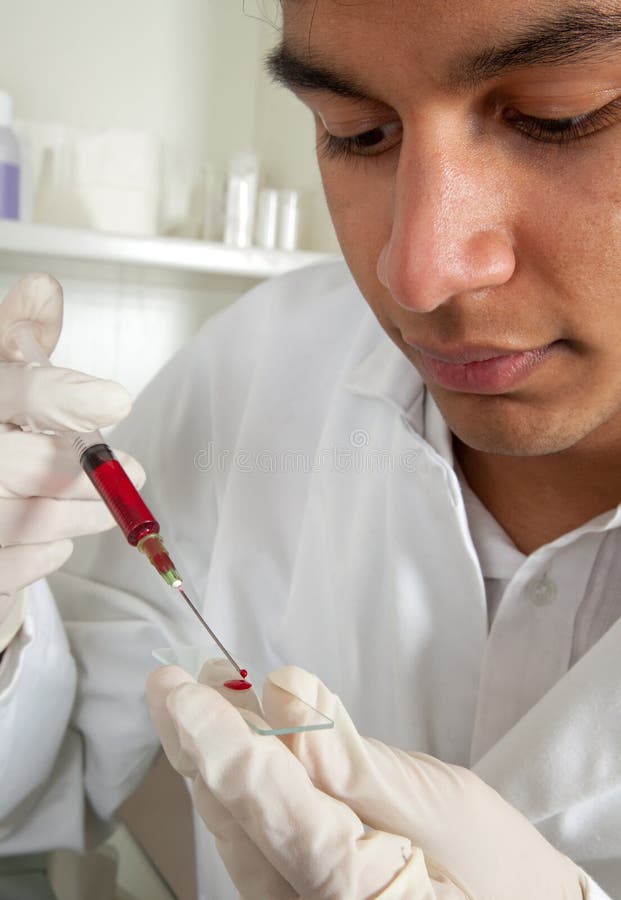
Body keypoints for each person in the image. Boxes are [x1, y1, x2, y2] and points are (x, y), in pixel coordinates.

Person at [1, 0, 621, 896]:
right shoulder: (261, 363)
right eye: (358, 133)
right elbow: (46, 781)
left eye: (558, 115)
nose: (415, 272)